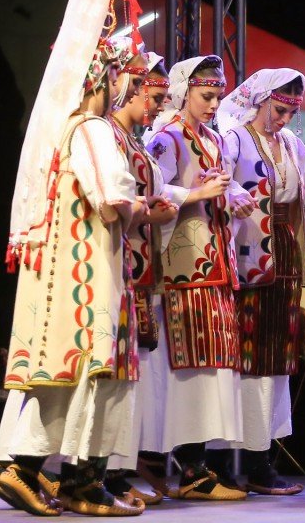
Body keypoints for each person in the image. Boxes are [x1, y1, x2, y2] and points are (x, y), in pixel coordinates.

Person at [0, 0, 149, 517]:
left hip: (88, 265)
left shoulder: (73, 131)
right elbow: (111, 200)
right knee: (83, 372)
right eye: (119, 80)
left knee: (87, 375)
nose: (124, 89)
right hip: (91, 271)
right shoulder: (90, 130)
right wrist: (142, 209)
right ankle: (28, 469)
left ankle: (81, 480)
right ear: (102, 82)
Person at [145, 55, 254, 501]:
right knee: (189, 368)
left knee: (214, 365)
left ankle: (196, 463)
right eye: (206, 96)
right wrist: (196, 193)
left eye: (217, 97)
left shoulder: (215, 138)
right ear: (183, 92)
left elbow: (222, 184)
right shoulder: (165, 138)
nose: (213, 105)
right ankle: (187, 467)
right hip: (184, 268)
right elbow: (152, 193)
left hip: (215, 263)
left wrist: (236, 195)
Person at [212, 68, 305, 495]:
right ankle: (220, 461)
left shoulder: (292, 145)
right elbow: (217, 179)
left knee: (276, 357)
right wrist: (233, 192)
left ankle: (260, 459)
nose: (284, 119)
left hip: (284, 253)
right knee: (244, 356)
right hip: (248, 254)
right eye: (278, 109)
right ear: (260, 100)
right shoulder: (234, 138)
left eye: (291, 112)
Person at [102, 44, 182, 507]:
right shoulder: (109, 136)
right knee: (115, 371)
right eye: (151, 96)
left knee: (132, 374)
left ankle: (117, 469)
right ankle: (101, 472)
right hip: (118, 262)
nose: (155, 106)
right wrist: (149, 213)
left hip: (139, 266)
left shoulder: (133, 140)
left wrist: (153, 209)